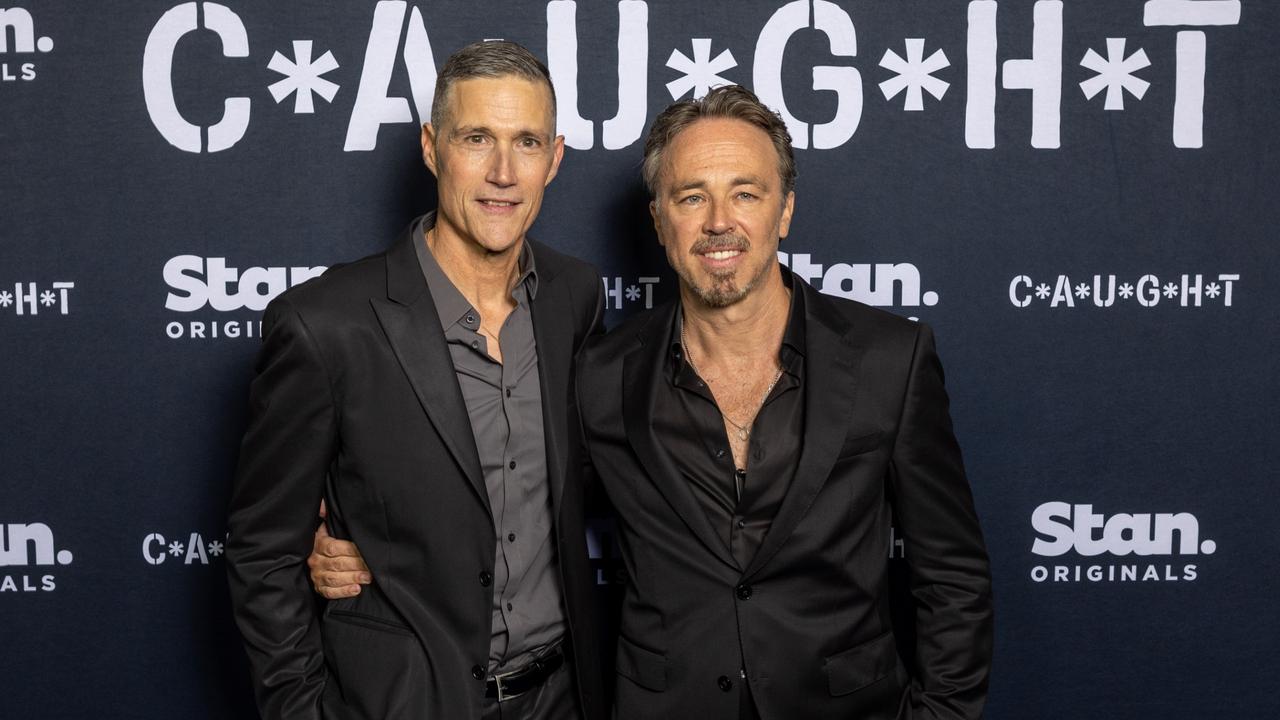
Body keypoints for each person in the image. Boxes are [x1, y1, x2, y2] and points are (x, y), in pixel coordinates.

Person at [311, 85, 994, 719]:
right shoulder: (601, 375)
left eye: (746, 194)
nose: (719, 222)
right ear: (659, 221)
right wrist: (353, 534)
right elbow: (510, 493)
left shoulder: (889, 360)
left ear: (784, 209)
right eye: (691, 196)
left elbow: (953, 576)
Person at [227, 40, 606, 720]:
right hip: (401, 703)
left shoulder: (576, 298)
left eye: (526, 143)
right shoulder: (325, 324)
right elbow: (261, 555)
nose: (502, 172)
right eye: (476, 138)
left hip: (561, 698)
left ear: (554, 160)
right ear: (432, 148)